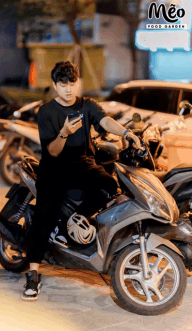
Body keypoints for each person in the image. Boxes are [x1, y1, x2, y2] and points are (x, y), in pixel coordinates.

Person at [22, 61, 141, 301]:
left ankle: (77, 218)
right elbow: (53, 151)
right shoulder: (46, 111)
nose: (68, 89)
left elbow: (106, 121)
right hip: (54, 168)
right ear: (55, 85)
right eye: (63, 84)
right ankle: (33, 274)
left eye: (72, 83)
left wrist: (127, 133)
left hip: (83, 163)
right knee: (44, 215)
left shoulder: (88, 105)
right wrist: (64, 133)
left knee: (110, 186)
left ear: (78, 83)